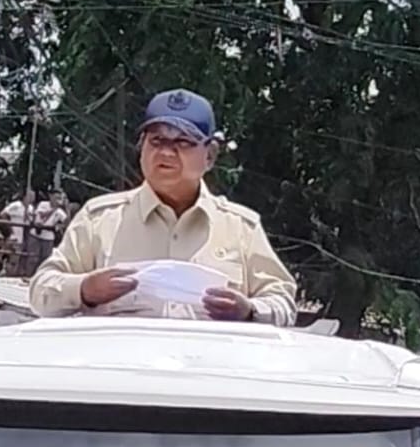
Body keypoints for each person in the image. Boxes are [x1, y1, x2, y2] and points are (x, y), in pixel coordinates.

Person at [29, 88, 297, 323]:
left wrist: (250, 310)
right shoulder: (99, 219)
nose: (166, 152)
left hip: (211, 374)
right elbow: (40, 291)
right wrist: (85, 289)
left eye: (183, 142)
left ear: (210, 155)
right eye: (156, 140)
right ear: (142, 147)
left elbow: (283, 301)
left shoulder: (241, 228)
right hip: (119, 375)